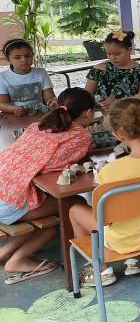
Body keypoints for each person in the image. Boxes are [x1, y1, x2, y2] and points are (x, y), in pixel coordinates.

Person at [69, 98, 140, 287]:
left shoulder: (111, 171)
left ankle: (100, 269)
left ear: (118, 134)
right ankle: (136, 259)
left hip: (123, 242)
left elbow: (105, 220)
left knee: (75, 210)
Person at [0, 88, 94, 284]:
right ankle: (17, 261)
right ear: (89, 113)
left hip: (4, 192)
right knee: (72, 204)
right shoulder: (79, 135)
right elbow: (55, 169)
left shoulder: (38, 125)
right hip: (10, 203)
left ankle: (5, 252)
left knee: (49, 222)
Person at [84, 29, 140, 111]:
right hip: (99, 116)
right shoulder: (98, 70)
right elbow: (85, 98)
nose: (112, 57)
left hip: (129, 117)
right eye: (109, 54)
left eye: (117, 54)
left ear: (129, 50)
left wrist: (119, 103)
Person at [0, 39, 56, 117]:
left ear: (32, 55)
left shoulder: (41, 73)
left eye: (27, 56)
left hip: (40, 114)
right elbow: (2, 104)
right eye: (17, 57)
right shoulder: (2, 77)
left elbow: (49, 97)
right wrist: (14, 109)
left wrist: (52, 103)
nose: (24, 60)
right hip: (15, 116)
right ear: (7, 59)